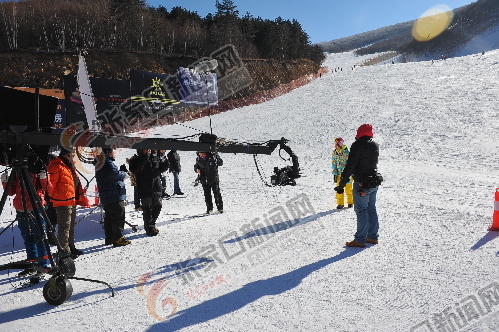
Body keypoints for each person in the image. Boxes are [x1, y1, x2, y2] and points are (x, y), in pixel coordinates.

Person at [335, 124, 380, 248]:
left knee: (361, 210)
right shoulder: (375, 144)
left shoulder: (357, 145)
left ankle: (360, 239)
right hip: (374, 181)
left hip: (361, 183)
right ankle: (372, 237)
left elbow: (351, 165)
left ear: (359, 132)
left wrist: (341, 184)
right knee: (371, 208)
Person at [1, 169, 51, 277]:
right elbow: (11, 192)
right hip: (21, 210)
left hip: (36, 208)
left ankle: (43, 267)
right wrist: (5, 181)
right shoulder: (18, 171)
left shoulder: (37, 168)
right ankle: (31, 265)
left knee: (40, 239)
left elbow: (48, 189)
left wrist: (43, 177)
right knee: (28, 240)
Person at [47, 147, 88, 257]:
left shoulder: (69, 165)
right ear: (65, 154)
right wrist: (54, 197)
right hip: (62, 201)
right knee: (64, 227)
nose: (72, 157)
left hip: (71, 199)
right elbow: (51, 185)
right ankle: (64, 251)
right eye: (71, 154)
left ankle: (71, 247)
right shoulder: (56, 165)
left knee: (70, 226)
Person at [95, 148, 130, 247]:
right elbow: (114, 174)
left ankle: (110, 238)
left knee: (109, 217)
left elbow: (112, 174)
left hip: (108, 195)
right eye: (114, 151)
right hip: (113, 194)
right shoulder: (106, 162)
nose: (115, 153)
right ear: (109, 153)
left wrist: (120, 172)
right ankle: (118, 238)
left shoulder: (102, 162)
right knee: (118, 217)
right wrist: (124, 174)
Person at [129, 149, 169, 236]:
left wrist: (165, 161)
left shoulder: (155, 158)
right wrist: (144, 158)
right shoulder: (136, 160)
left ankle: (151, 225)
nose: (148, 151)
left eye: (149, 149)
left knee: (158, 206)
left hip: (156, 186)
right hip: (144, 188)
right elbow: (134, 170)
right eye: (146, 149)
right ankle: (149, 229)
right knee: (147, 209)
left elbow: (162, 168)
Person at [331, 137, 353, 209]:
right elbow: (334, 163)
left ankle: (350, 202)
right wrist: (335, 174)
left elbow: (351, 164)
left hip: (347, 174)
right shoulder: (335, 153)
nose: (335, 146)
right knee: (339, 188)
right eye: (335, 144)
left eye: (336, 145)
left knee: (348, 189)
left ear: (340, 145)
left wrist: (351, 172)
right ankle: (340, 203)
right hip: (339, 174)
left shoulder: (346, 153)